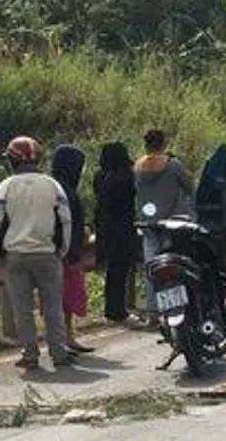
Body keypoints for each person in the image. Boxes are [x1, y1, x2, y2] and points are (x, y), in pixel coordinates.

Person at [0, 136, 72, 370]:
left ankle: (30, 354)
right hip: (47, 253)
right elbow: (65, 220)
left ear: (12, 161)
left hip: (15, 255)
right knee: (53, 307)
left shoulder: (5, 187)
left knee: (22, 309)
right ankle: (58, 352)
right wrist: (61, 250)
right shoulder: (53, 185)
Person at [134, 130, 196, 322]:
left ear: (145, 144)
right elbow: (190, 187)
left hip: (148, 224)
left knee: (152, 267)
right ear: (163, 143)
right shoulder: (173, 165)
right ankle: (174, 310)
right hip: (172, 224)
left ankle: (153, 311)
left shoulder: (137, 167)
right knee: (173, 267)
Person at [50, 145, 95, 356]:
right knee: (64, 298)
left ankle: (66, 337)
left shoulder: (54, 186)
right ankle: (64, 338)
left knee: (62, 298)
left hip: (56, 249)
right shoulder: (64, 190)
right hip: (64, 251)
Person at [93, 142, 138, 324]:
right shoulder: (126, 176)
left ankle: (111, 310)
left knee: (112, 269)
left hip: (104, 226)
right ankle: (118, 311)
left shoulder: (99, 175)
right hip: (123, 226)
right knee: (121, 268)